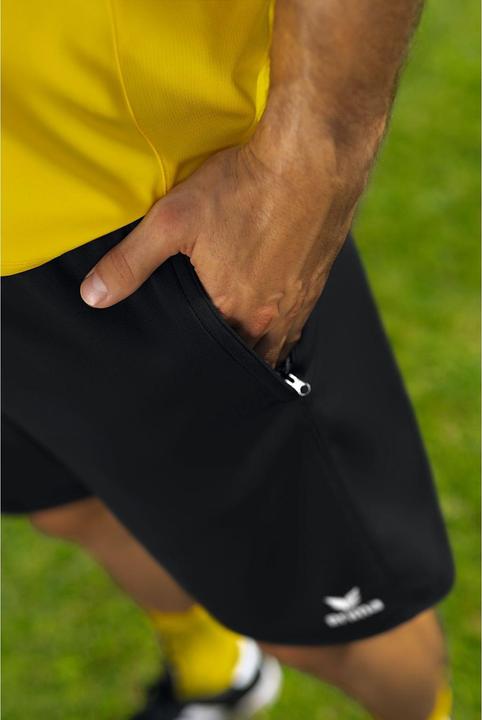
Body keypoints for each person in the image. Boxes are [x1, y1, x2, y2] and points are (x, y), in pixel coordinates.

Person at [2, 1, 455, 719]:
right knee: (67, 507)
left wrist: (308, 165)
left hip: (125, 208)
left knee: (340, 627)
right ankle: (218, 672)